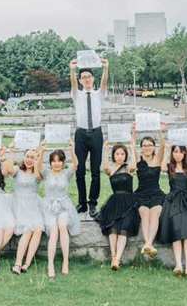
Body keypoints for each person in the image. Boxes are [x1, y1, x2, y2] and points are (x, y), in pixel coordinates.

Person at [69, 57, 109, 216]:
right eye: (83, 77)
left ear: (93, 79)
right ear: (80, 80)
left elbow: (105, 83)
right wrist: (72, 70)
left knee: (95, 171)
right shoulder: (76, 94)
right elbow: (72, 83)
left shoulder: (99, 94)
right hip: (81, 134)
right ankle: (82, 203)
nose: (86, 79)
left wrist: (106, 68)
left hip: (96, 133)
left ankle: (93, 203)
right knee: (79, 171)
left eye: (89, 77)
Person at [157, 145, 187, 277]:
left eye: (181, 152)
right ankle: (178, 264)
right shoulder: (170, 167)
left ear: (184, 154)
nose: (178, 154)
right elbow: (162, 166)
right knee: (176, 232)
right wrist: (167, 149)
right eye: (175, 152)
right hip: (174, 201)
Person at [38, 145, 81, 278]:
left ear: (63, 162)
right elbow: (38, 165)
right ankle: (50, 264)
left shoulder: (66, 174)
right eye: (54, 161)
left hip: (64, 206)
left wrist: (72, 149)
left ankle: (65, 261)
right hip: (49, 207)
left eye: (59, 161)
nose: (56, 163)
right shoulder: (47, 173)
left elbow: (76, 164)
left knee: (62, 226)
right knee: (54, 231)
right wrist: (42, 151)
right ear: (50, 162)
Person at [97, 143, 141, 270]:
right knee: (113, 229)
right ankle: (113, 257)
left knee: (124, 229)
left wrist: (132, 148)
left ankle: (117, 259)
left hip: (129, 202)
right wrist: (105, 149)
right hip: (114, 202)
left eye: (122, 154)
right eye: (117, 154)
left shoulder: (128, 168)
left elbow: (135, 164)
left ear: (125, 155)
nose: (120, 156)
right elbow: (104, 166)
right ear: (114, 155)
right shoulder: (110, 169)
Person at [10, 145, 45, 275]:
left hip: (33, 204)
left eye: (32, 157)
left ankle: (27, 263)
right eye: (27, 157)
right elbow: (8, 170)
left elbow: (37, 176)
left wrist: (38, 157)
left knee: (38, 229)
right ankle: (18, 263)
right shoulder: (17, 170)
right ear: (23, 157)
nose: (29, 160)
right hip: (19, 204)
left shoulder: (38, 172)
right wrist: (12, 152)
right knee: (28, 229)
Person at [134, 126, 166, 258]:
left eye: (150, 145)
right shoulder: (138, 160)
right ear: (141, 147)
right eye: (144, 145)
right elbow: (131, 145)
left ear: (154, 147)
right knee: (144, 213)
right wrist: (134, 133)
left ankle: (148, 243)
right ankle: (148, 244)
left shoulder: (157, 159)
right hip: (141, 194)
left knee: (156, 212)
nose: (147, 147)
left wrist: (160, 131)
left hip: (156, 193)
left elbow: (163, 145)